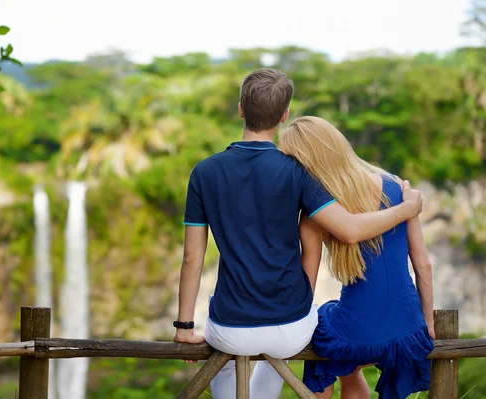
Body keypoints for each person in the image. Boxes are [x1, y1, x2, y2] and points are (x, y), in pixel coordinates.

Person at [172, 68, 424, 399]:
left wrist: (185, 328)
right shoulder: (298, 172)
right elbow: (349, 230)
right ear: (284, 116)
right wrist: (405, 210)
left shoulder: (204, 172)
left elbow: (192, 258)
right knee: (274, 354)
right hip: (291, 326)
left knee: (233, 361)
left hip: (231, 326)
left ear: (241, 109)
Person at [279, 116, 434, 399]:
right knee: (348, 361)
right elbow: (423, 265)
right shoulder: (399, 188)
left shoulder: (316, 215)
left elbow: (307, 290)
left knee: (321, 331)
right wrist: (428, 325)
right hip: (409, 330)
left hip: (358, 332)